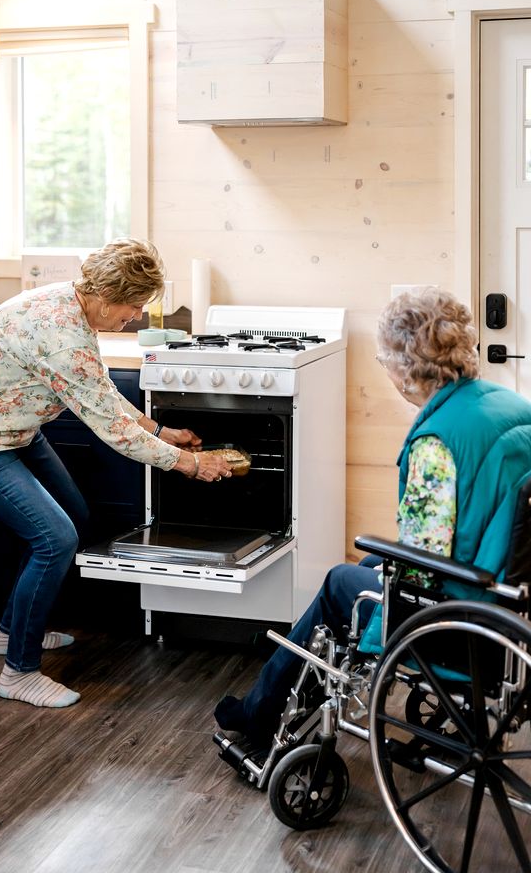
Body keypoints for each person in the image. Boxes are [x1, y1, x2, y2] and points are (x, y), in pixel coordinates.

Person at [0, 238, 232, 709]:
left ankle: (12, 633)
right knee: (55, 539)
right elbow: (115, 432)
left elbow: (99, 390)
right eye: (132, 307)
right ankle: (19, 674)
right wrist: (191, 464)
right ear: (107, 296)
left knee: (72, 515)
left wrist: (160, 429)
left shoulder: (71, 306)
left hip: (16, 430)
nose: (133, 316)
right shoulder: (61, 332)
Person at [214, 286, 531, 743]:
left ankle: (260, 714)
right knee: (367, 567)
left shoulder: (438, 442)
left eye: (385, 361)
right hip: (509, 595)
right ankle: (273, 702)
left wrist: (388, 565)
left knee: (341, 581)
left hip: (460, 617)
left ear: (405, 366)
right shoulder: (510, 405)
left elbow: (422, 566)